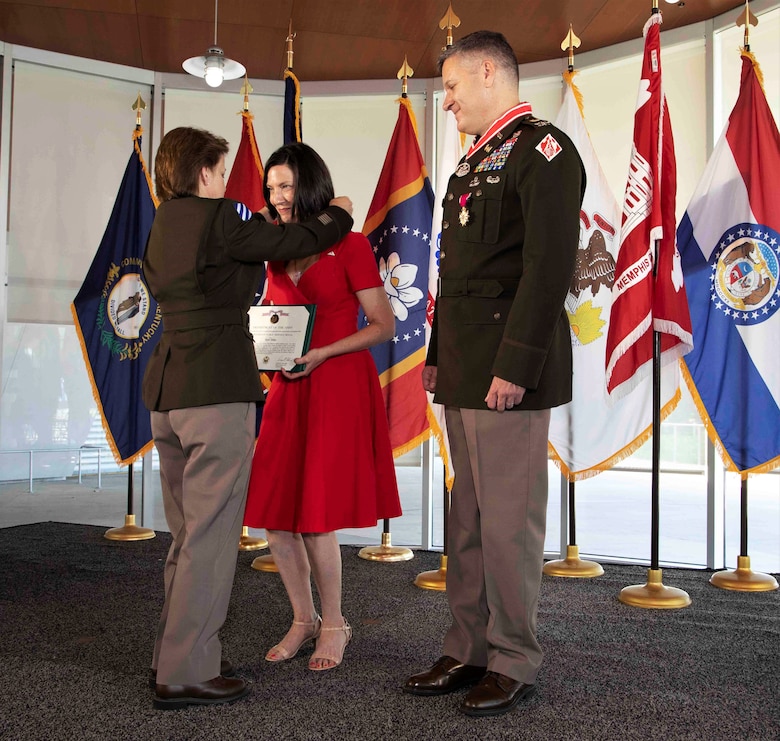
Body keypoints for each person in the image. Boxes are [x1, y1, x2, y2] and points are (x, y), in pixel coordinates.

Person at [403, 31, 585, 717]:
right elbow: (457, 275)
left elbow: (546, 270)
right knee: (470, 521)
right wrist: (439, 354)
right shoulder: (472, 165)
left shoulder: (544, 152)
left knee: (509, 523)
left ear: (488, 73)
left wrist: (514, 365)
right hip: (465, 372)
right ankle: (467, 645)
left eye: (451, 87)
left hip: (508, 374)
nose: (446, 102)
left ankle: (513, 658)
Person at [142, 127, 354, 710]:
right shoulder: (218, 218)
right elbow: (293, 240)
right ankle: (188, 672)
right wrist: (339, 214)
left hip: (167, 392)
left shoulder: (164, 221)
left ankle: (175, 653)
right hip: (213, 391)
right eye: (220, 169)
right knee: (210, 539)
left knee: (186, 537)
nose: (225, 179)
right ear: (204, 172)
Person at [243, 142, 401, 672]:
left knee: (315, 516)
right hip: (288, 386)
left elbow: (384, 324)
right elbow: (274, 314)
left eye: (286, 186)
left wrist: (324, 353)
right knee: (274, 512)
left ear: (309, 185)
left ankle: (334, 621)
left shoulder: (351, 246)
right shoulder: (274, 248)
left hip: (334, 384)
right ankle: (301, 618)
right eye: (270, 188)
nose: (277, 197)